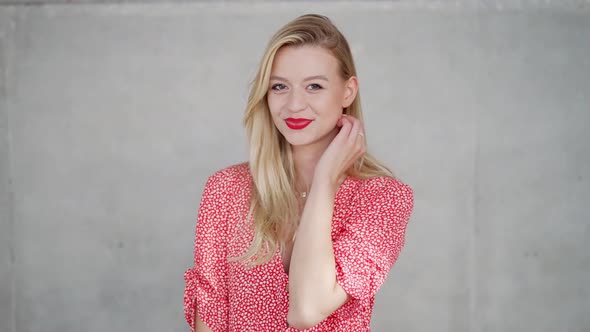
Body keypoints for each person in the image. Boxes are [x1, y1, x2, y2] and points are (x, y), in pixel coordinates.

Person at [183, 13, 414, 332]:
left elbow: (306, 310)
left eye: (314, 86)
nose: (294, 105)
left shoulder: (383, 198)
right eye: (280, 86)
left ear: (348, 92)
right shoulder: (226, 190)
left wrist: (324, 180)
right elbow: (209, 317)